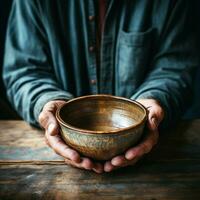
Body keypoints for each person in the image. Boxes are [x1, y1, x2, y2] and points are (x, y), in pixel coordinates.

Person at [3, 0, 199, 173]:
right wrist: (47, 101)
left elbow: (175, 67)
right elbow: (25, 70)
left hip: (153, 162)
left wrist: (156, 99)